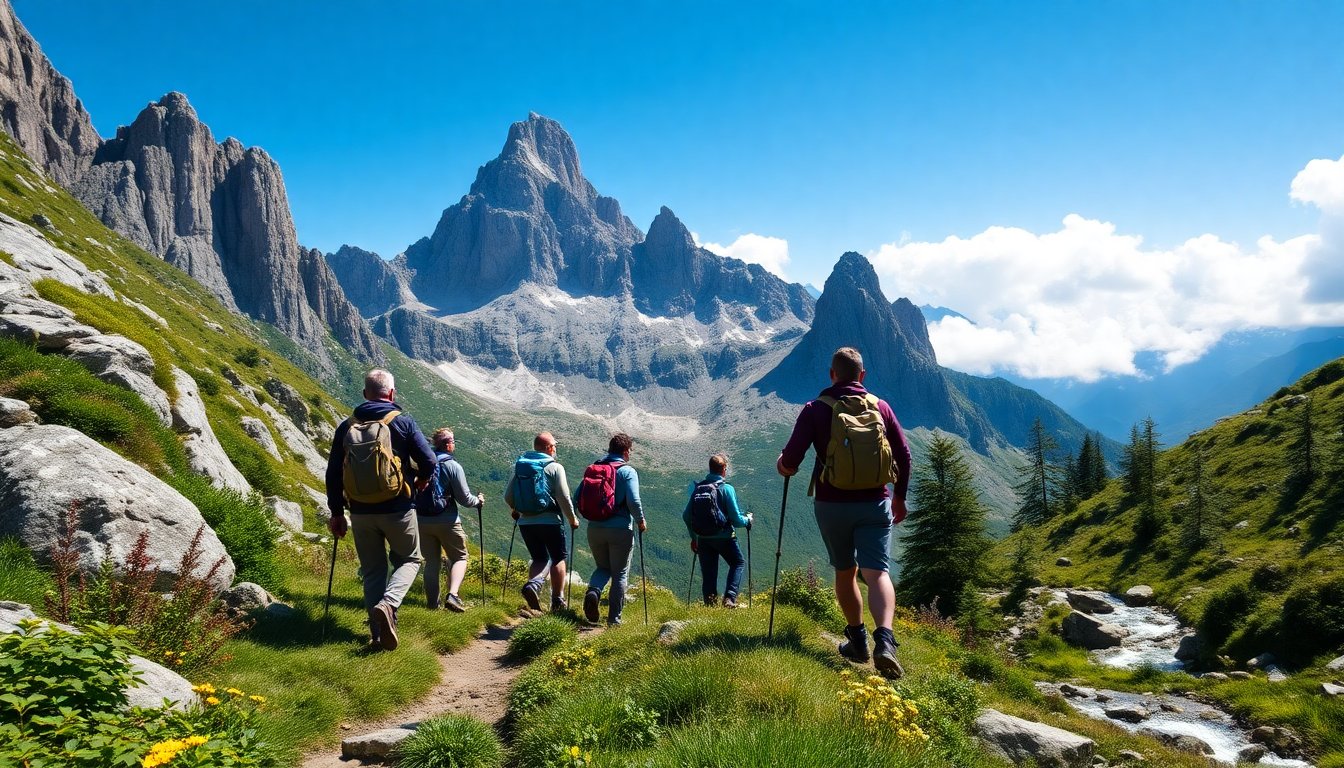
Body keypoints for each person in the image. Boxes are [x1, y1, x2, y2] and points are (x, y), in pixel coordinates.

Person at [776, 347, 912, 677]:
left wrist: (783, 465)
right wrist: (899, 498)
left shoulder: (814, 410)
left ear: (832, 374)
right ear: (862, 376)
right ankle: (886, 642)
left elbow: (791, 461)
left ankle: (857, 641)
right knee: (878, 573)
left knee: (845, 572)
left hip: (832, 505)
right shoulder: (881, 407)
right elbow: (904, 455)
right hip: (876, 502)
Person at [326, 369, 435, 651]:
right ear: (392, 394)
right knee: (410, 560)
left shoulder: (346, 426)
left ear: (365, 395)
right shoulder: (402, 423)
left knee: (374, 570)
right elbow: (429, 460)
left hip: (361, 512)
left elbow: (333, 473)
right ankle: (388, 605)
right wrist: (422, 479)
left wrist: (337, 512)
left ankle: (376, 635)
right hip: (398, 508)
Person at [504, 432, 578, 611]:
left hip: (526, 522)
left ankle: (533, 589)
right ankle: (556, 600)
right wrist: (572, 519)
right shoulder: (554, 467)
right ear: (549, 448)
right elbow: (563, 497)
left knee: (538, 558)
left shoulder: (520, 466)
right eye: (554, 446)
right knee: (558, 557)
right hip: (550, 520)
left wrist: (516, 510)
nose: (555, 448)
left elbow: (508, 496)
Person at [578, 433, 646, 626]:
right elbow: (633, 501)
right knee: (620, 573)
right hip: (620, 529)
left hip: (594, 528)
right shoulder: (627, 471)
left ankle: (593, 591)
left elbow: (577, 497)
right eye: (630, 451)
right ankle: (614, 621)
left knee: (603, 567)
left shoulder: (595, 469)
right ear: (625, 451)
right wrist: (641, 521)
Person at [418, 427, 486, 612]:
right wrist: (478, 501)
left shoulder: (422, 463)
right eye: (453, 441)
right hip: (447, 520)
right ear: (448, 445)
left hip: (422, 520)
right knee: (459, 557)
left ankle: (432, 605)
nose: (454, 444)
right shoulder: (452, 466)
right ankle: (453, 595)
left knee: (431, 562)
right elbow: (464, 499)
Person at [683, 453, 753, 608]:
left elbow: (686, 516)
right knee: (738, 563)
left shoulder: (698, 488)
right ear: (724, 470)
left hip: (703, 538)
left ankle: (710, 606)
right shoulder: (727, 489)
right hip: (725, 537)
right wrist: (748, 520)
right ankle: (729, 598)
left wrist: (694, 537)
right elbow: (735, 519)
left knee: (709, 574)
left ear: (710, 468)